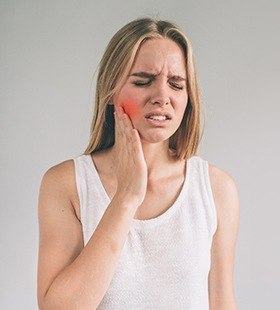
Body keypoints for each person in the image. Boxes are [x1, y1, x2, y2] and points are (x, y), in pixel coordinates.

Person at [37, 17, 240, 309]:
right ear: (110, 91)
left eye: (176, 84)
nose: (162, 97)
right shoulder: (66, 184)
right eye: (143, 81)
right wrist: (127, 197)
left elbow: (222, 303)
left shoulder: (217, 189)